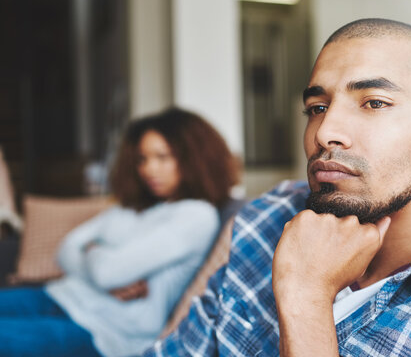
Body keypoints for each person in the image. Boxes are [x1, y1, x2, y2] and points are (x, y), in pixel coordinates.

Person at [145, 19, 411, 356]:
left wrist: (306, 297)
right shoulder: (267, 216)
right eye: (317, 108)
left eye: (373, 102)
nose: (326, 132)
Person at [0, 107, 239, 357]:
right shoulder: (131, 208)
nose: (149, 169)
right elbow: (66, 250)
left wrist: (94, 254)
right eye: (142, 159)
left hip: (103, 330)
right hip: (59, 296)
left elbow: (107, 273)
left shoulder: (196, 215)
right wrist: (103, 264)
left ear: (194, 159)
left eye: (162, 157)